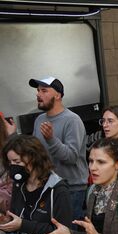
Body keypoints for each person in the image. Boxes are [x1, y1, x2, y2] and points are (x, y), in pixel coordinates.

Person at [28, 77, 88, 222]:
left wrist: (51, 139)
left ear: (58, 95)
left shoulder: (72, 120)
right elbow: (35, 154)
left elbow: (71, 157)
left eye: (44, 90)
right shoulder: (39, 120)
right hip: (47, 187)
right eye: (37, 91)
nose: (38, 94)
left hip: (71, 190)